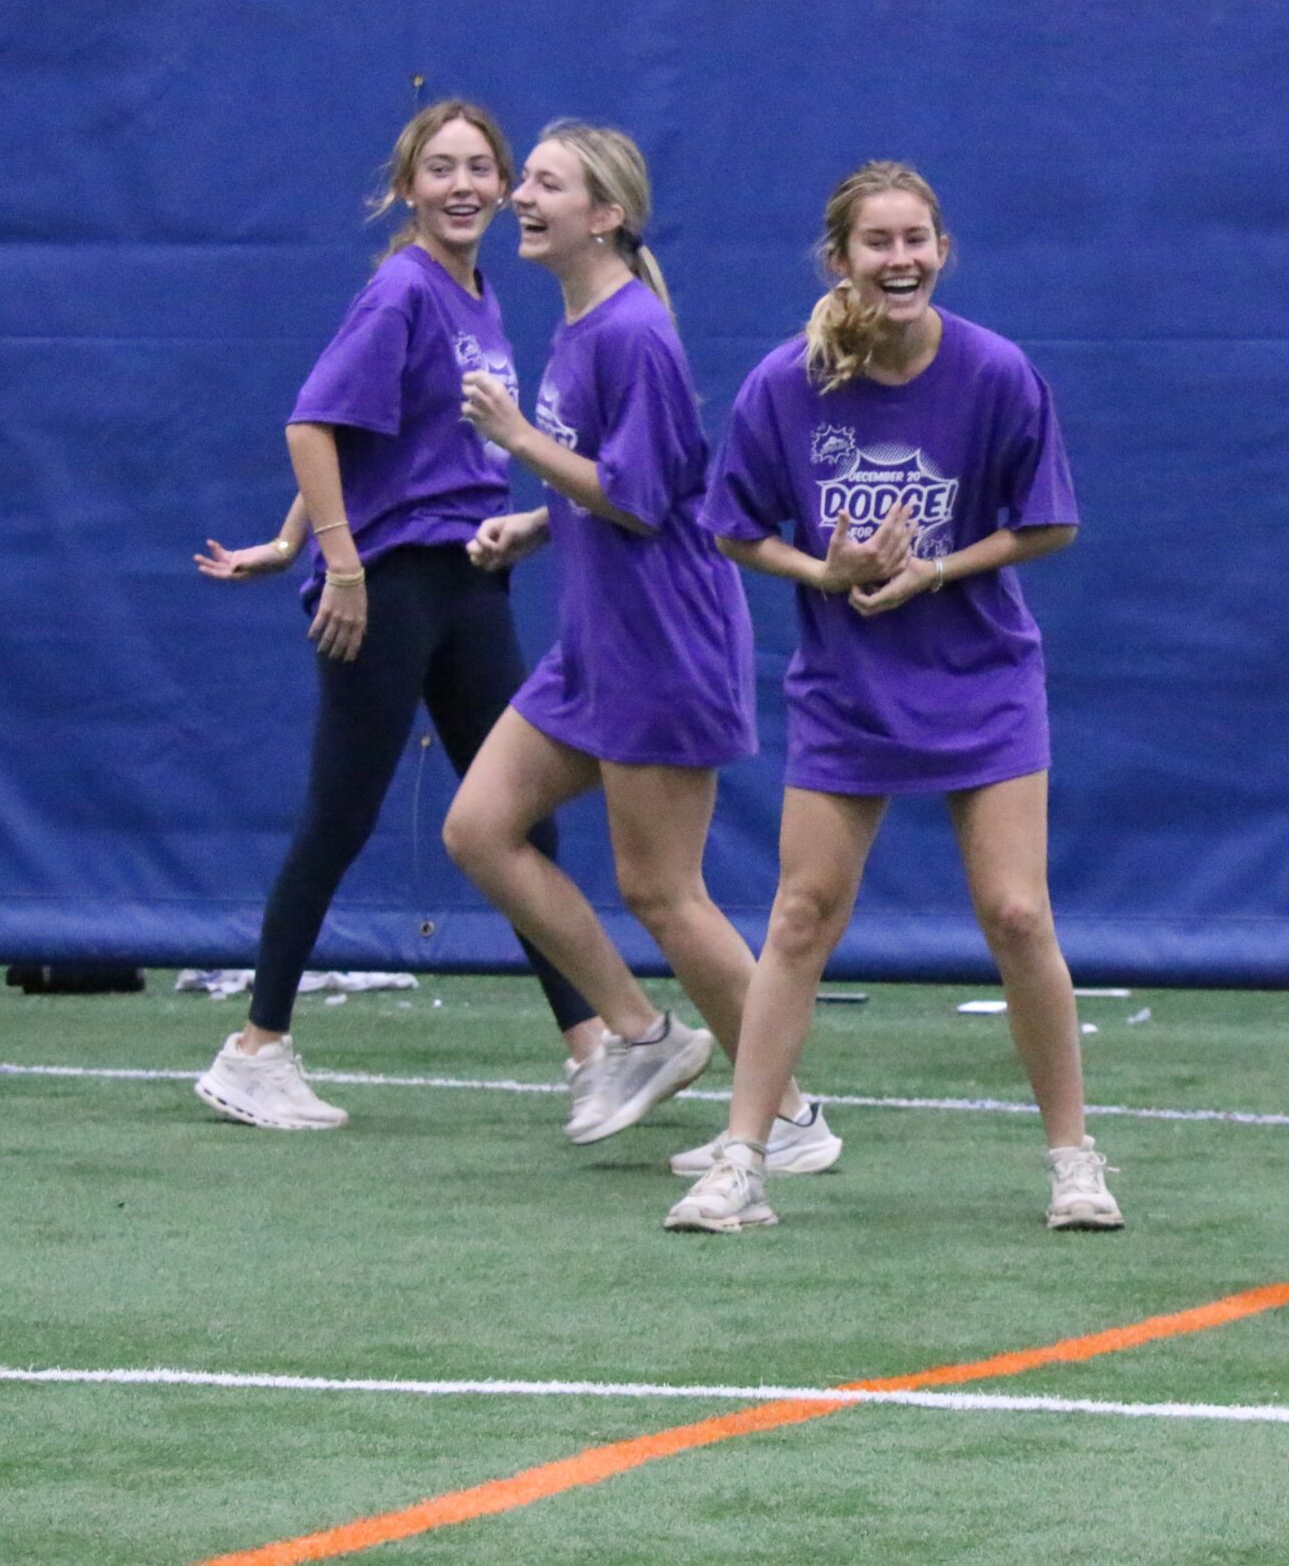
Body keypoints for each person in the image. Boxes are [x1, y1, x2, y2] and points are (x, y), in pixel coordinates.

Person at [664, 161, 1120, 1234]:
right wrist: (823, 571)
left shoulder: (998, 372)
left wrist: (936, 569)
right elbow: (735, 527)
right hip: (845, 687)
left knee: (1016, 913)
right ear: (840, 259)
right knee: (801, 913)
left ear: (942, 250)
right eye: (878, 242)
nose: (900, 258)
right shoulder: (786, 384)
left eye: (917, 239)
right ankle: (743, 1158)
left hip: (982, 678)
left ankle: (1073, 1158)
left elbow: (1048, 523)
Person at [191, 102, 606, 1132]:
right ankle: (256, 1047)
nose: (462, 185)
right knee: (340, 813)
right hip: (394, 585)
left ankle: (595, 1048)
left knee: (518, 817)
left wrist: (288, 539)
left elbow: (377, 434)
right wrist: (334, 561)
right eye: (439, 169)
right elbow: (312, 422)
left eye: (480, 168)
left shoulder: (477, 292)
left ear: (505, 184)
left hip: (468, 583)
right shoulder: (401, 289)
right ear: (407, 187)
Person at [444, 121, 830, 1163]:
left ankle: (787, 1115)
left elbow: (647, 498)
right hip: (593, 646)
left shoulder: (631, 331)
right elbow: (616, 477)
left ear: (605, 215)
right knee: (479, 829)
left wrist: (518, 444)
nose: (520, 196)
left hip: (662, 645)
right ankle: (642, 1032)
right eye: (523, 179)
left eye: (547, 185)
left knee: (663, 890)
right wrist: (534, 522)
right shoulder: (580, 324)